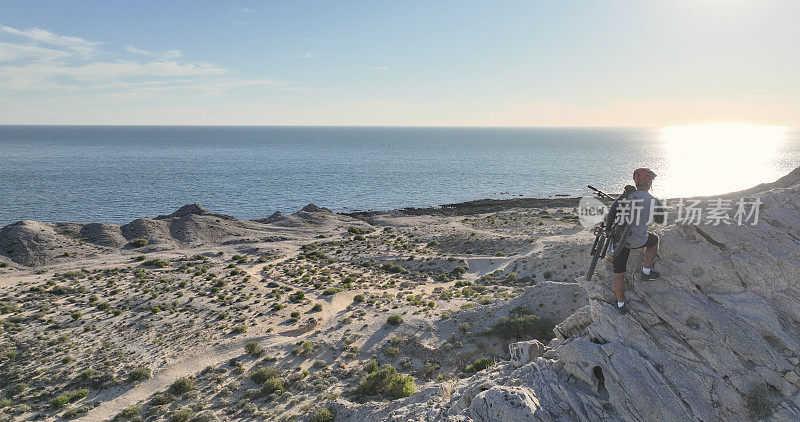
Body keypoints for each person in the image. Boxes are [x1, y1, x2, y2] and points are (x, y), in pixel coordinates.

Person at [609, 168, 664, 315]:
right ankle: (646, 271)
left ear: (635, 181)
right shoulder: (653, 200)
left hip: (621, 240)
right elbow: (661, 220)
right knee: (654, 239)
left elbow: (612, 213)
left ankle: (620, 304)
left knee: (619, 272)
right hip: (639, 240)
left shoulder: (627, 196)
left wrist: (608, 231)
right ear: (650, 183)